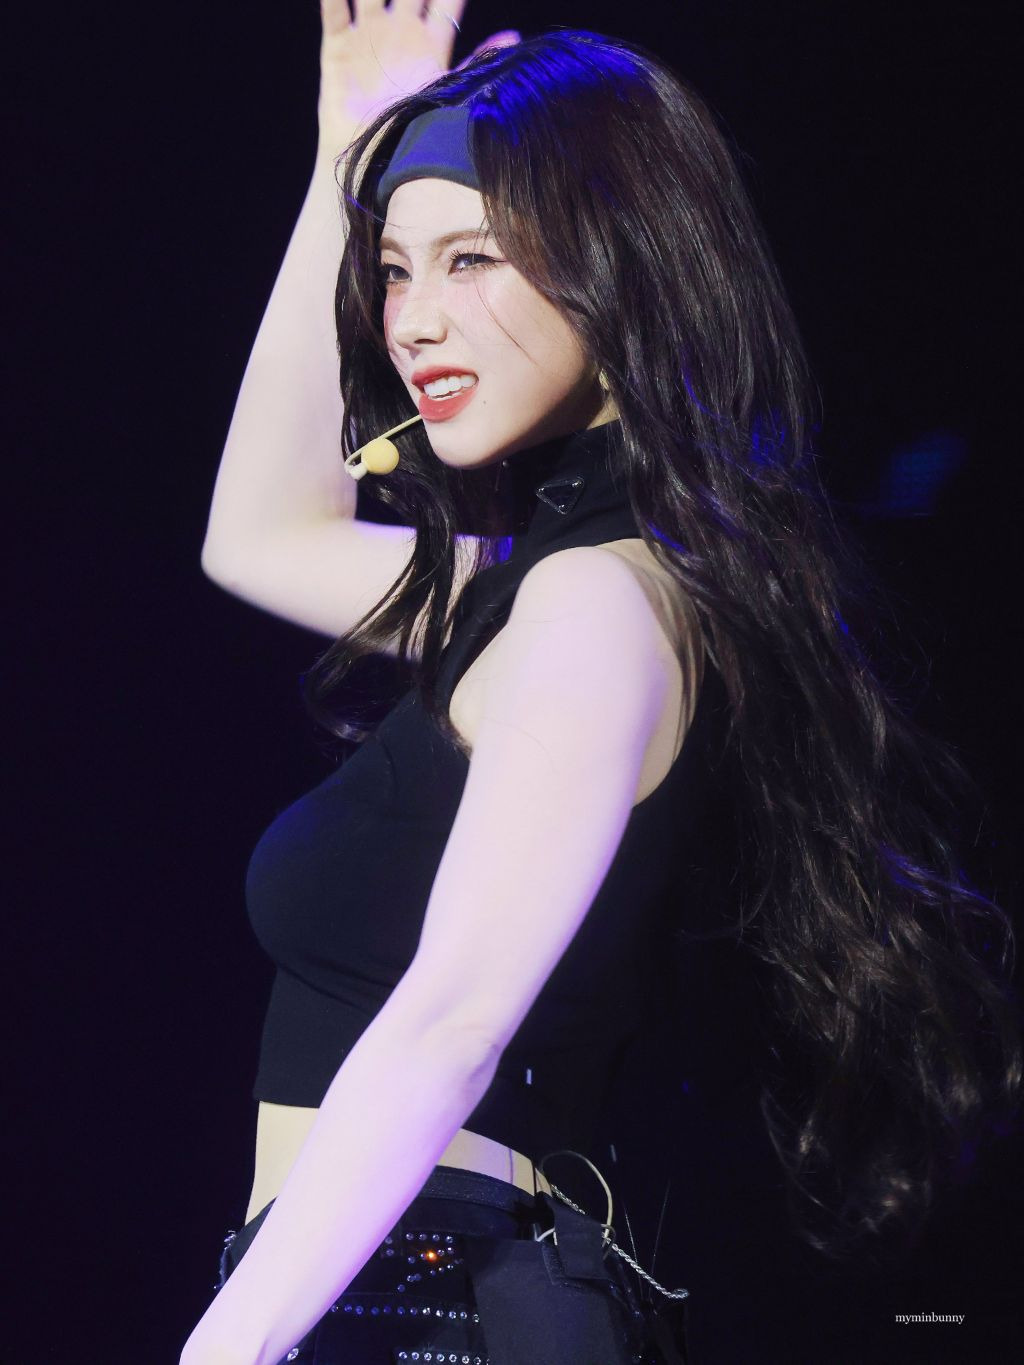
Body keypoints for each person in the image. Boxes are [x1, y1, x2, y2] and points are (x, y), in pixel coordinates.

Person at [182, 6, 1020, 1363]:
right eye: (392, 270)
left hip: (432, 1302)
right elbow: (259, 536)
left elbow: (454, 1023)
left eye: (472, 259)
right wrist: (347, 156)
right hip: (391, 1290)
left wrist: (226, 1347)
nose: (414, 321)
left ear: (617, 265)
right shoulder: (565, 586)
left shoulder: (597, 609)